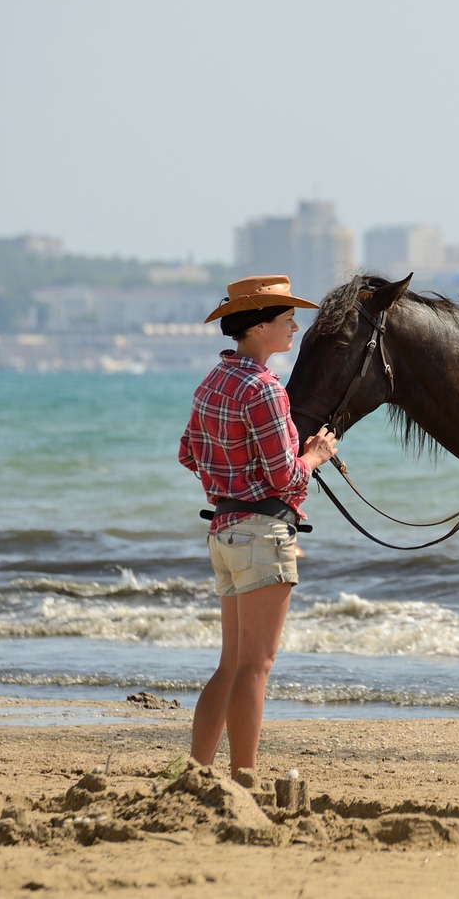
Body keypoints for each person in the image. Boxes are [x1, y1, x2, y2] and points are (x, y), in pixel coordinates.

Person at [178, 274, 338, 783]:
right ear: (260, 325)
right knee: (255, 667)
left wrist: (230, 487)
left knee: (231, 665)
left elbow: (188, 452)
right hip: (258, 533)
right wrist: (314, 456)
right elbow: (284, 476)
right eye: (286, 316)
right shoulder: (264, 388)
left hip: (225, 532)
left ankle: (196, 775)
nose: (295, 324)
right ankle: (243, 778)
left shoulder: (213, 381)